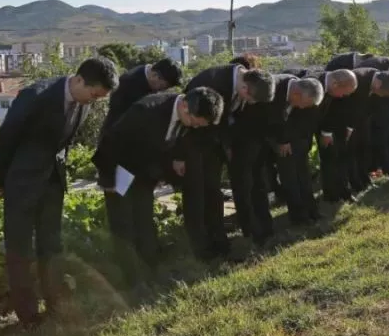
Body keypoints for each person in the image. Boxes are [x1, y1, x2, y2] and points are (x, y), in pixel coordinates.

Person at [0, 57, 118, 327]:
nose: (94, 101)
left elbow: (63, 142)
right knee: (20, 248)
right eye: (94, 95)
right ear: (79, 80)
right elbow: (7, 137)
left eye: (99, 98)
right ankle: (27, 314)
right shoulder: (35, 96)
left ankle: (55, 301)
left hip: (52, 182)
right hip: (22, 181)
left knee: (51, 244)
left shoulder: (83, 104)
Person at [93, 87, 223, 288]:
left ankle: (152, 273)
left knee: (145, 223)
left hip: (144, 173)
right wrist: (107, 178)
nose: (196, 127)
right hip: (119, 171)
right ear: (185, 106)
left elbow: (174, 141)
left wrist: (167, 168)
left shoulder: (186, 115)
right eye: (195, 122)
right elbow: (110, 140)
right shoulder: (146, 111)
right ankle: (132, 282)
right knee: (123, 227)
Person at [181, 63, 275, 260]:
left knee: (214, 192)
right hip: (196, 143)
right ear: (245, 89)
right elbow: (190, 120)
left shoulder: (242, 84)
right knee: (201, 193)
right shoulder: (212, 82)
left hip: (217, 144)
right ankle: (204, 245)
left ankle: (220, 239)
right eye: (249, 99)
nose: (249, 103)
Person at [240, 75, 325, 237]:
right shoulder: (272, 89)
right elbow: (267, 119)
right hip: (261, 135)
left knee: (302, 172)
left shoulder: (300, 90)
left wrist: (290, 139)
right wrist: (282, 140)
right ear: (296, 95)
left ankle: (311, 210)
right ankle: (298, 216)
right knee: (288, 176)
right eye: (303, 104)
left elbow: (300, 119)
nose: (302, 108)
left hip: (290, 136)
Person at [280, 68, 358, 209]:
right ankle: (326, 196)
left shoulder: (336, 90)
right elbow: (297, 113)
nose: (344, 96)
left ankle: (342, 191)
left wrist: (327, 132)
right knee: (303, 163)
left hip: (328, 124)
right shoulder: (311, 85)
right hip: (303, 130)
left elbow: (336, 109)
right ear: (335, 84)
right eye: (344, 92)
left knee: (338, 155)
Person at [323, 68, 389, 200]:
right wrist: (340, 129)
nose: (380, 96)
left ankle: (364, 180)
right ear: (378, 84)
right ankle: (347, 187)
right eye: (382, 93)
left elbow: (366, 107)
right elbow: (338, 105)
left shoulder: (378, 82)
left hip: (360, 120)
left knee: (363, 148)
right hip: (340, 122)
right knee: (347, 153)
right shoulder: (356, 80)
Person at [101, 58, 182, 132]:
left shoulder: (147, 74)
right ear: (155, 75)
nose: (163, 90)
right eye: (163, 86)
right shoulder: (128, 84)